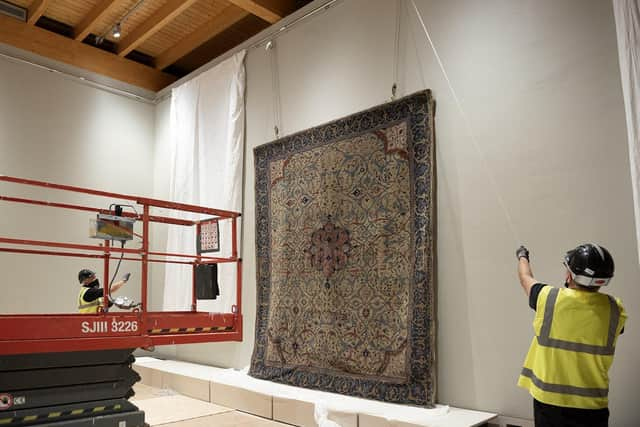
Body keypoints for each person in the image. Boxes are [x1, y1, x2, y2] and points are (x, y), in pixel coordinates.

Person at [515, 244, 627, 427]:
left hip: (550, 404)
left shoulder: (547, 298)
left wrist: (522, 256)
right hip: (593, 406)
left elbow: (525, 277)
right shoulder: (615, 310)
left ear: (569, 275)